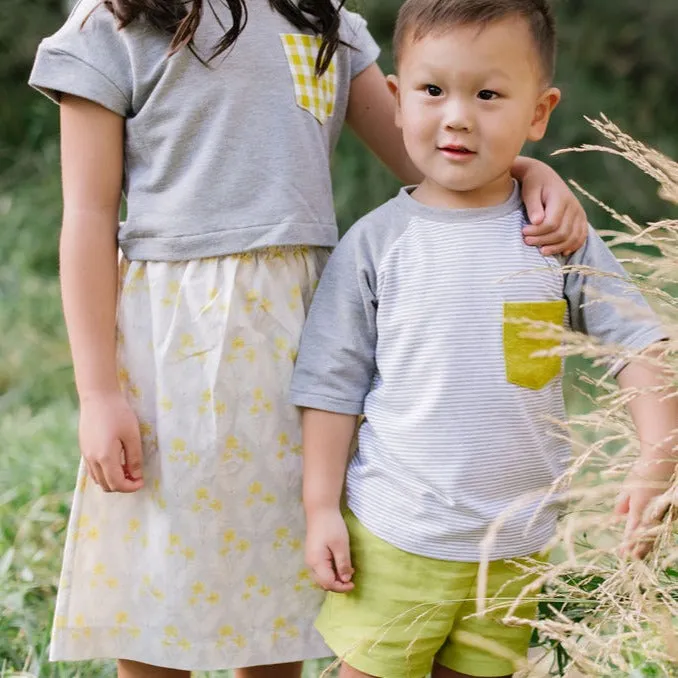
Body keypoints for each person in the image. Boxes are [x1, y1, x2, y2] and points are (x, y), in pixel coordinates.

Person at [29, 0, 589, 675]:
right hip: (172, 343)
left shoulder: (322, 20)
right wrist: (97, 392)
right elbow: (86, 216)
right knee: (162, 574)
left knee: (280, 578)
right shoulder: (113, 24)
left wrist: (530, 171)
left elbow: (436, 154)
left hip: (305, 336)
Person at [290, 1, 678, 677]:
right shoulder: (378, 246)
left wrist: (658, 456)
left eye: (489, 94)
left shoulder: (554, 238)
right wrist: (320, 507)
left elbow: (635, 340)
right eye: (433, 91)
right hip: (395, 539)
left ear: (539, 112)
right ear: (396, 99)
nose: (458, 115)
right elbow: (331, 385)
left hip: (513, 545)